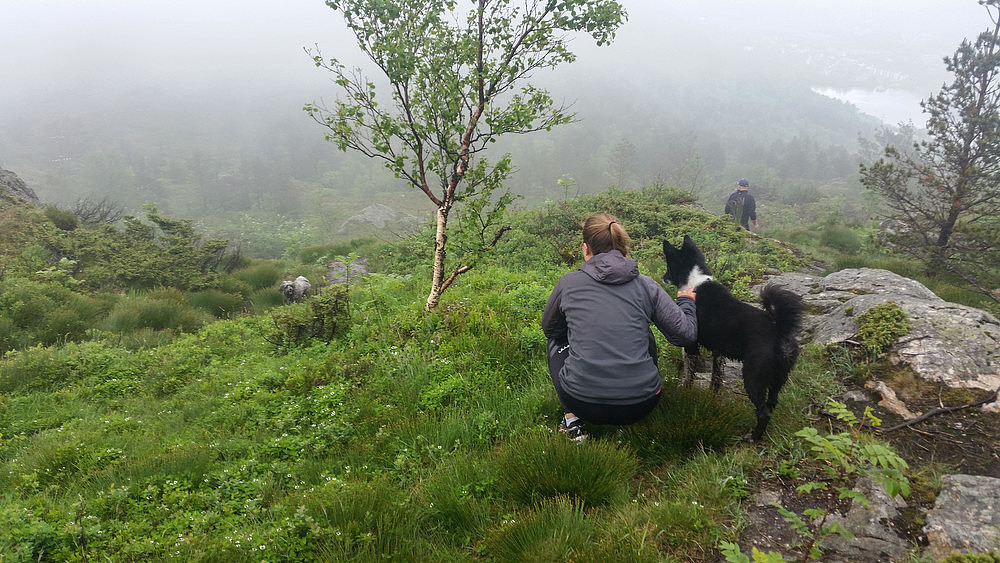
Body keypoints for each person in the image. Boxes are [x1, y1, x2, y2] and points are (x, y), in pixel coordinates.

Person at [541, 214, 698, 442]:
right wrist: (686, 300)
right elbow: (685, 335)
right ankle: (627, 417)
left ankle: (572, 419)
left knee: (556, 339)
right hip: (642, 404)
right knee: (645, 332)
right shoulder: (646, 285)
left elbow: (550, 329)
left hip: (582, 402)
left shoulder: (569, 283)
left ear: (585, 249)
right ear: (623, 247)